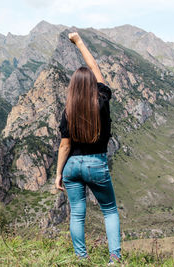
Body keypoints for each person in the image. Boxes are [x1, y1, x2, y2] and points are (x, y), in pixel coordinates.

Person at [55, 32, 121, 265]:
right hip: (96, 164)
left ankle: (81, 259)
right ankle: (114, 260)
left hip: (72, 166)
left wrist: (58, 175)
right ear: (93, 84)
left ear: (73, 88)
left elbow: (64, 146)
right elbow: (96, 69)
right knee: (110, 211)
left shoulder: (68, 112)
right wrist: (79, 42)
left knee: (77, 214)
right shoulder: (102, 99)